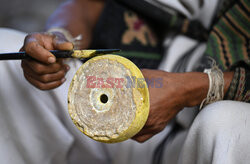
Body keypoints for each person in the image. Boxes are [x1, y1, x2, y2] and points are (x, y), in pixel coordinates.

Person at [0, 0, 249, 163]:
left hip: (194, 136)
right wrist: (60, 37)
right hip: (101, 107)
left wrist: (193, 88)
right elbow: (88, 5)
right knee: (6, 55)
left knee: (229, 126)